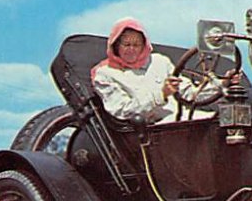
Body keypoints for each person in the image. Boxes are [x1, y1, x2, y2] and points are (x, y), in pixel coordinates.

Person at [92, 17, 237, 124]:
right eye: (126, 44)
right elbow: (122, 110)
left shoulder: (160, 61)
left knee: (227, 120)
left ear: (144, 46)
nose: (131, 49)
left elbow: (191, 94)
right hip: (154, 129)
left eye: (136, 45)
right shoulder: (105, 74)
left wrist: (223, 83)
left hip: (181, 118)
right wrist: (162, 94)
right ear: (115, 45)